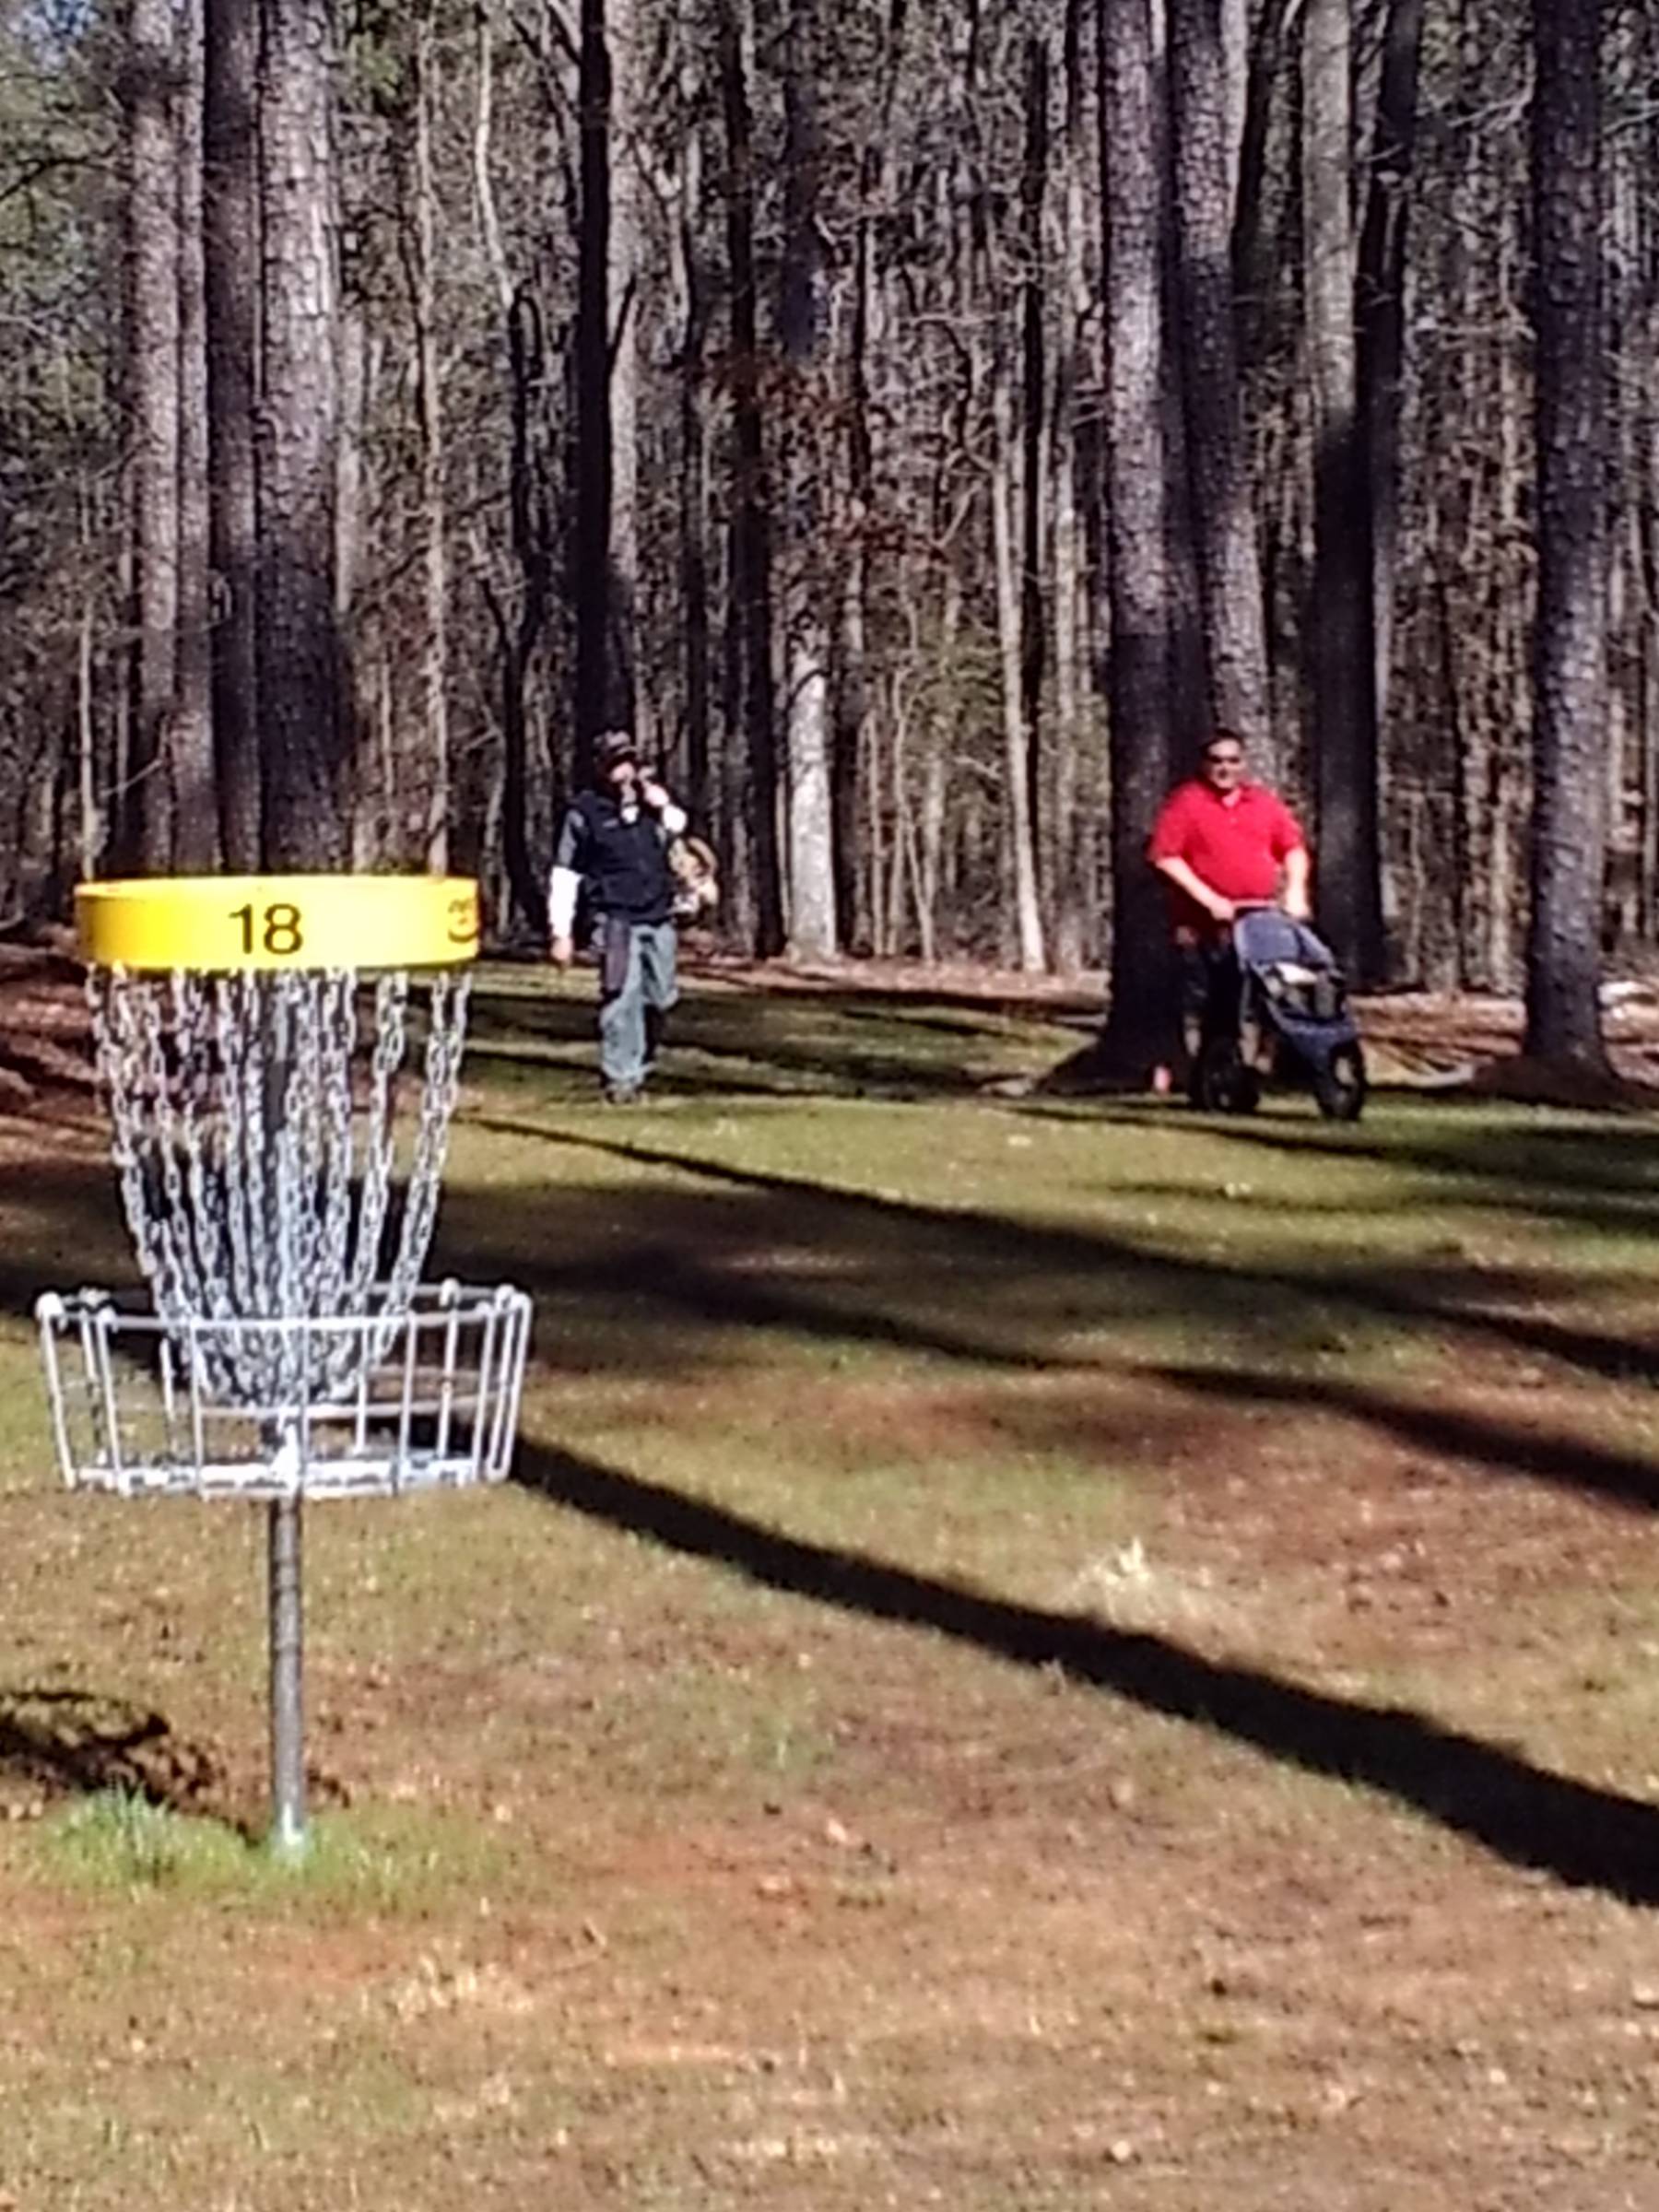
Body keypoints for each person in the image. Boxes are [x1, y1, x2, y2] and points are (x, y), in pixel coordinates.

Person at [1147, 729, 1312, 1069]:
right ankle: (1213, 1074)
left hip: (1261, 920)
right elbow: (1165, 857)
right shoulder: (1187, 802)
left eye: (1233, 760)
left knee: (1277, 989)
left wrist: (1295, 891)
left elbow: (1293, 848)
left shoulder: (1263, 803)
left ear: (1244, 763)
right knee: (1217, 1002)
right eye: (1217, 761)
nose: (1225, 768)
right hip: (1205, 924)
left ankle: (1269, 1059)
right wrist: (1209, 899)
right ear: (1204, 764)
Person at [548, 729, 687, 1103]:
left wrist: (662, 803)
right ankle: (621, 1080)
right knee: (620, 999)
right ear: (600, 768)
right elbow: (565, 874)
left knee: (661, 997)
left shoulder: (652, 804)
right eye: (614, 764)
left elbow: (679, 829)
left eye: (627, 762)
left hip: (658, 913)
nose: (623, 771)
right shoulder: (585, 813)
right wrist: (561, 932)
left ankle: (642, 1059)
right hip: (613, 919)